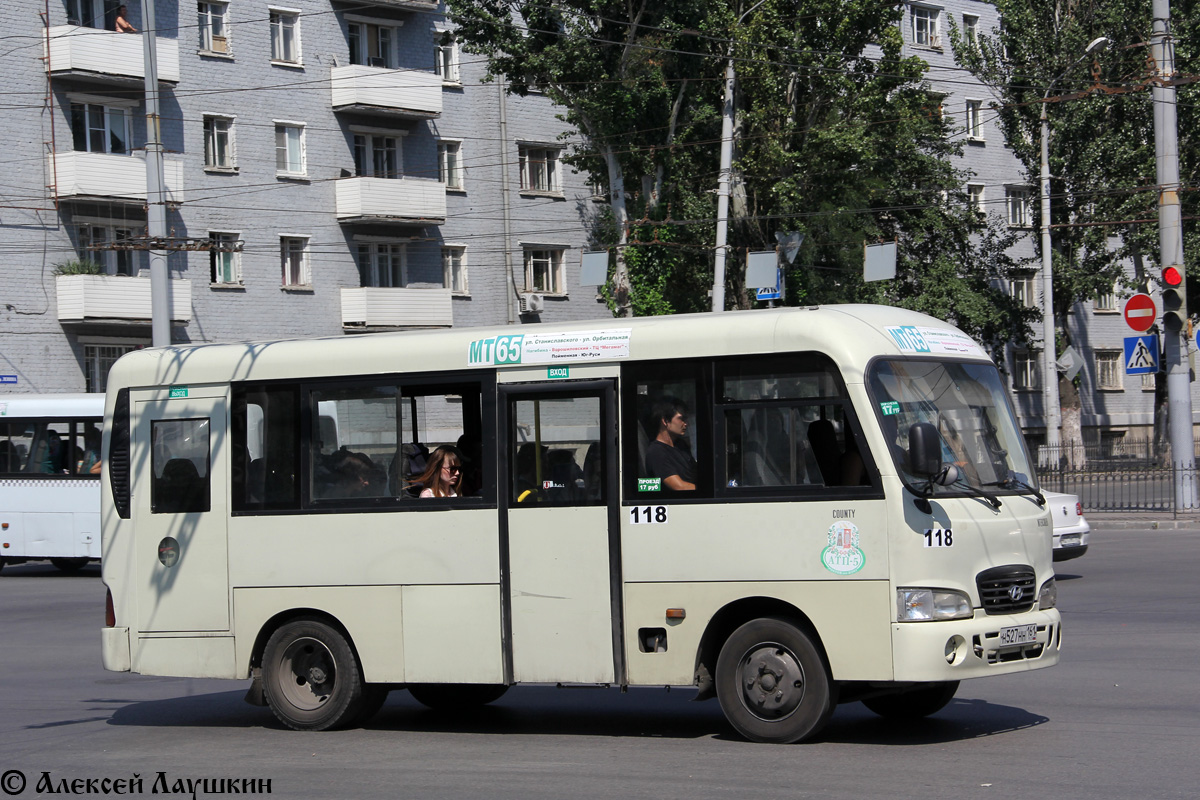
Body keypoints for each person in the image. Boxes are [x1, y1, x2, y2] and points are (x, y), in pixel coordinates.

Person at [645, 397, 697, 491]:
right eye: (681, 419)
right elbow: (679, 486)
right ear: (665, 421)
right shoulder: (656, 452)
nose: (686, 424)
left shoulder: (681, 445)